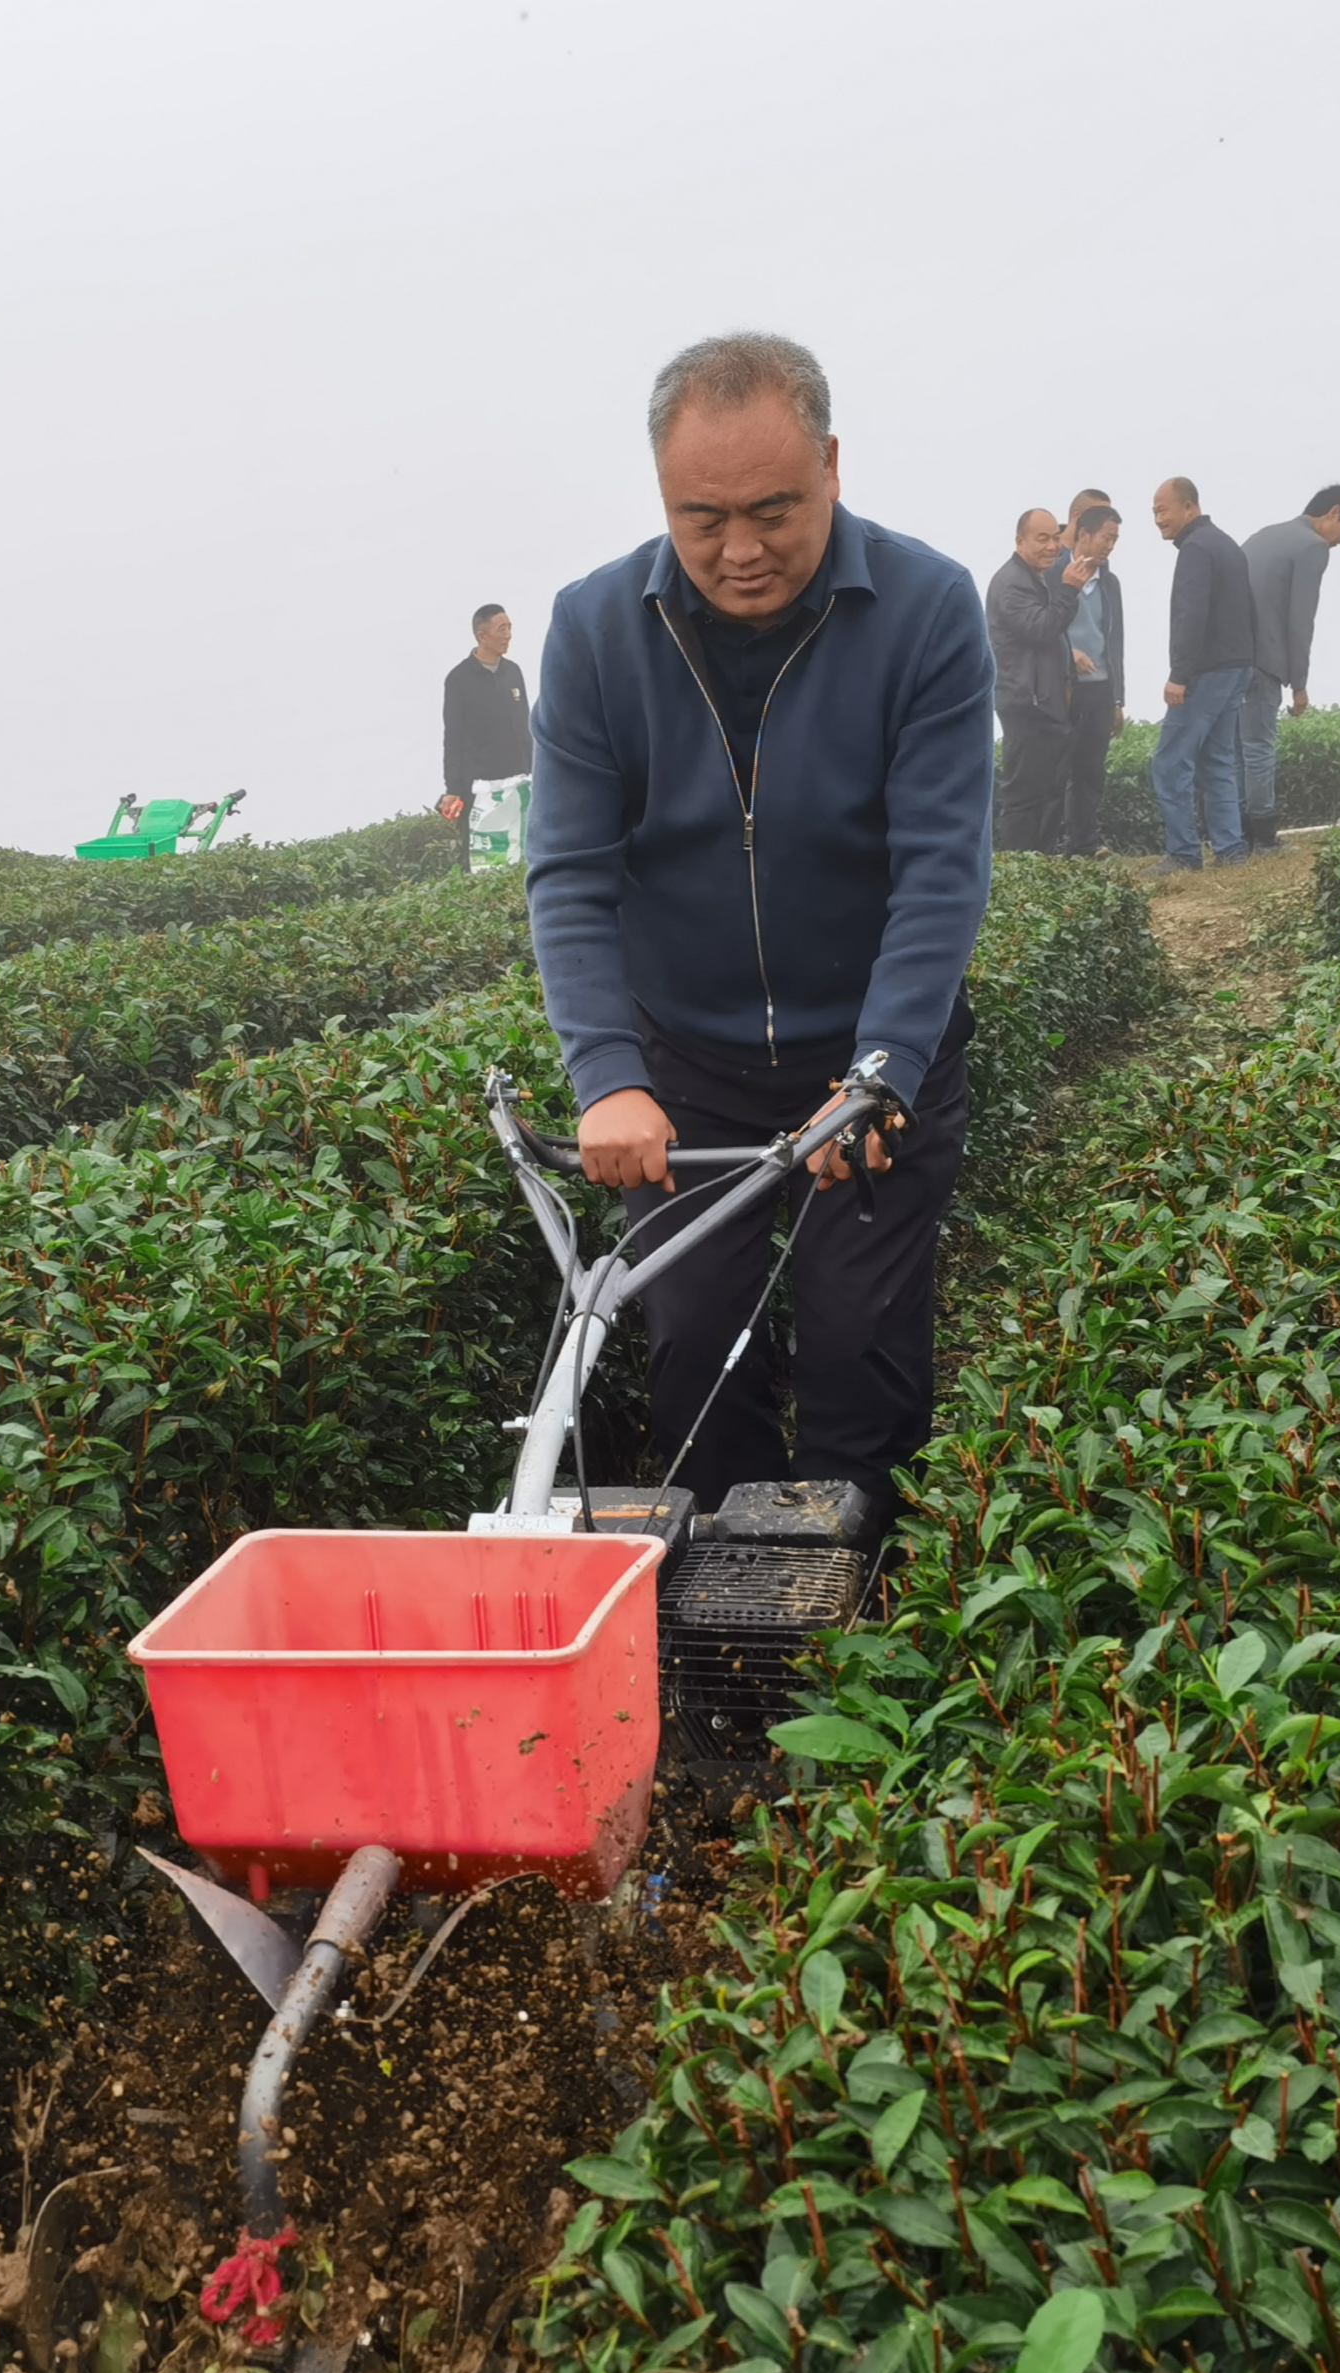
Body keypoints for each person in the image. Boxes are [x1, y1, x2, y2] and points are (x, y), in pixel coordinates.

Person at [527, 333, 993, 1514]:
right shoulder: (593, 629)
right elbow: (570, 876)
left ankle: (865, 1637)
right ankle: (728, 1665)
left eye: (775, 510)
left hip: (868, 1059)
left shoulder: (927, 606)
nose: (740, 551)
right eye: (703, 517)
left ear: (832, 465)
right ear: (662, 498)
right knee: (692, 1345)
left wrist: (882, 1069)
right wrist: (606, 1080)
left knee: (860, 1350)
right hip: (685, 1065)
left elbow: (938, 868)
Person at [1236, 485, 1340, 848]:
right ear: (1333, 513)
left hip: (1232, 659)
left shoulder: (1264, 535)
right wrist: (1299, 683)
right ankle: (1263, 838)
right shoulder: (1312, 546)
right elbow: (1300, 619)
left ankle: (1236, 837)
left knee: (1234, 751)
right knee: (1259, 747)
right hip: (1265, 661)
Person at [1148, 478, 1255, 867]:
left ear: (1189, 507)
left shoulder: (1195, 549)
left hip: (1206, 671)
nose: (1158, 519)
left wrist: (1180, 674)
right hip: (1237, 666)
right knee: (1218, 760)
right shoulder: (1225, 544)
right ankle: (1230, 850)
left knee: (1170, 762)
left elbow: (1189, 615)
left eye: (1163, 510)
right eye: (1155, 512)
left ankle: (1183, 852)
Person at [984, 507, 1077, 853]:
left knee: (1048, 790)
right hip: (1024, 701)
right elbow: (1041, 629)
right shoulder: (1011, 582)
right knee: (1023, 794)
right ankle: (1021, 874)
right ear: (1020, 541)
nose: (1052, 546)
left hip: (1042, 701)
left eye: (1056, 537)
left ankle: (1043, 862)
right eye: (1042, 538)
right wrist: (1069, 590)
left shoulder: (1034, 578)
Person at [1056, 502, 1128, 853]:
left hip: (1100, 688)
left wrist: (1118, 699)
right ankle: (1053, 845)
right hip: (1065, 689)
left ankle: (1085, 843)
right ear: (1083, 535)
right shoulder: (1054, 573)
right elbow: (1041, 626)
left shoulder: (1109, 583)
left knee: (1091, 770)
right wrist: (1067, 652)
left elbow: (1116, 642)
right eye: (1106, 537)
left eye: (1114, 540)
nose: (1110, 545)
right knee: (1058, 768)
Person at [440, 604, 535, 867]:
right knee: (483, 863)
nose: (508, 635)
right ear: (482, 636)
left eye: (510, 628)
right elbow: (453, 737)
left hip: (517, 781)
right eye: (501, 629)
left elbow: (525, 727)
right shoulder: (459, 679)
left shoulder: (513, 672)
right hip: (480, 788)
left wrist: (536, 769)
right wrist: (453, 789)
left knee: (522, 853)